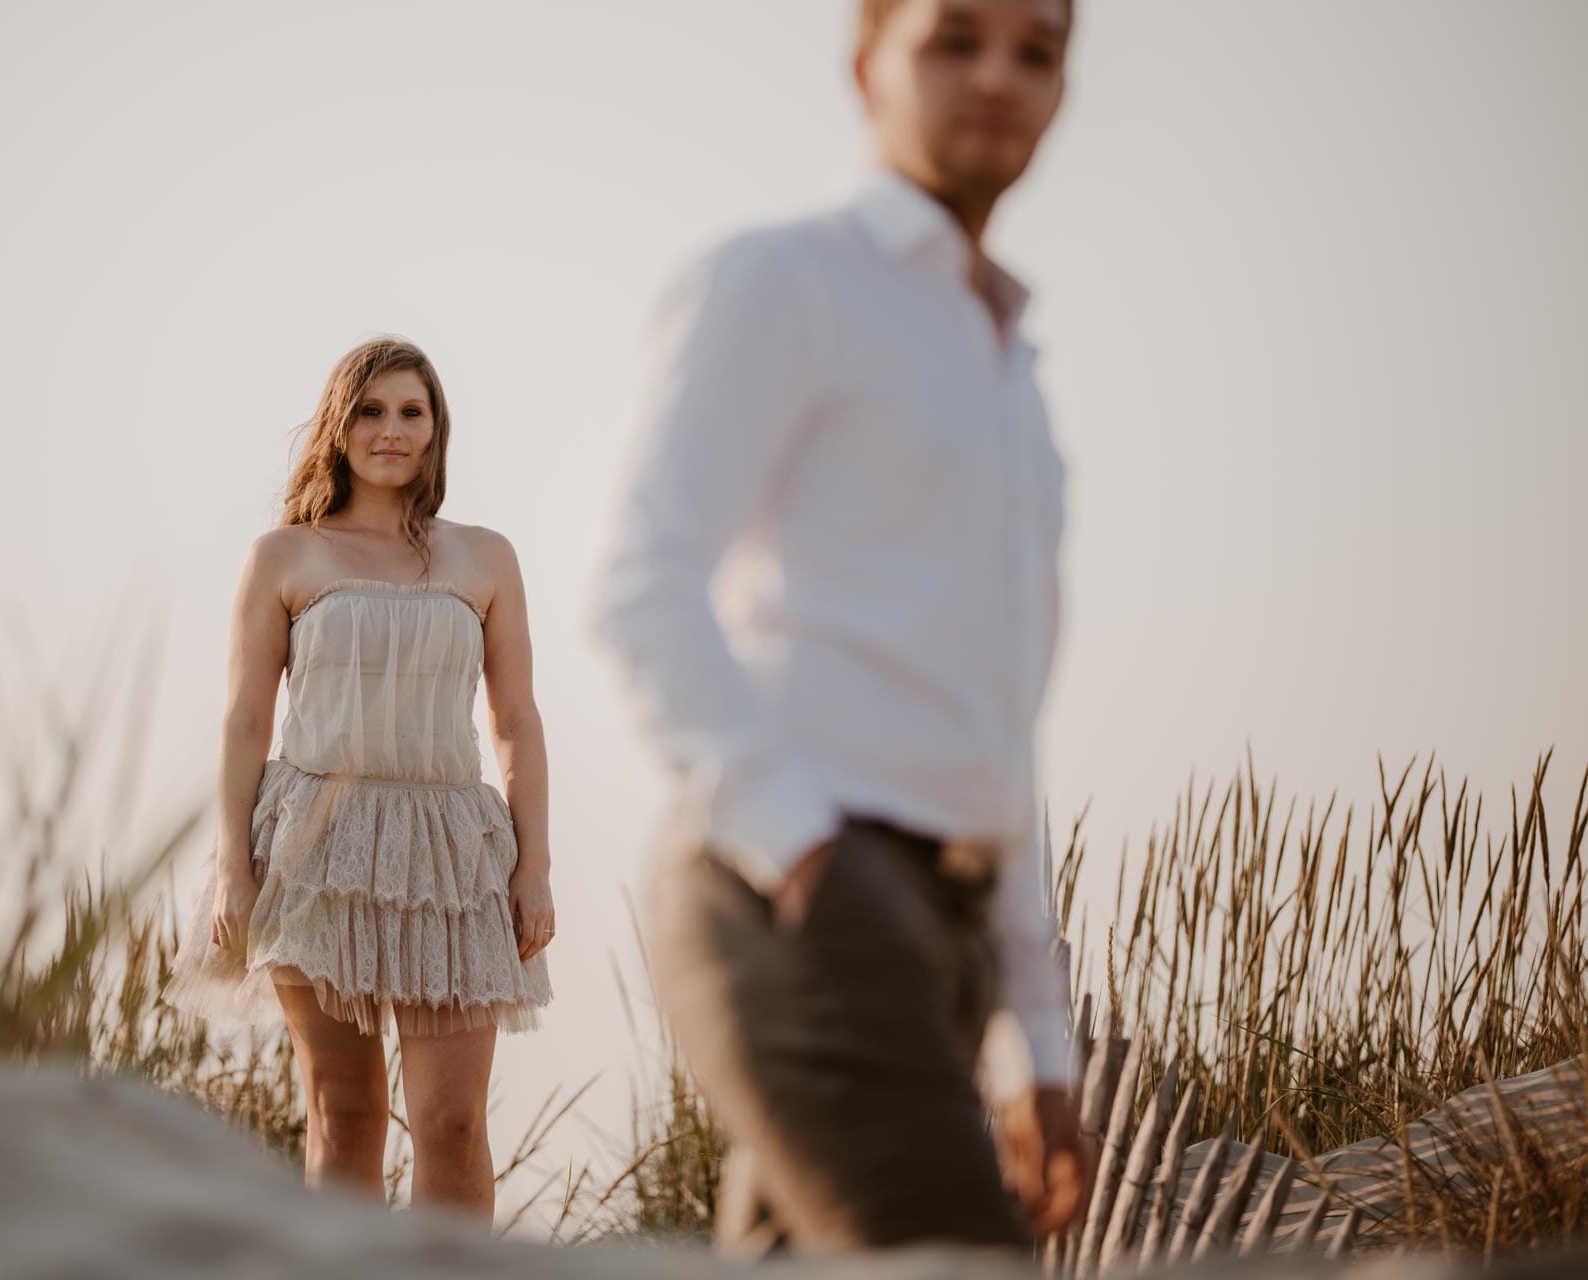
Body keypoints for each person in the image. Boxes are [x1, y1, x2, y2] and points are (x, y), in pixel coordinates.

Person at [593, 0, 1091, 1255]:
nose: (997, 77)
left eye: (1036, 52)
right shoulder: (785, 276)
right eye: (954, 39)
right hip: (798, 887)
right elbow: (639, 579)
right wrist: (802, 849)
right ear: (865, 65)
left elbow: (997, 715)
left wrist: (1036, 1027)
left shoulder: (1010, 367)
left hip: (948, 921)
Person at [165, 336, 555, 1222]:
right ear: (340, 427)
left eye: (411, 411)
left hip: (451, 852)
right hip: (315, 845)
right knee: (343, 1117)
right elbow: (244, 722)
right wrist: (233, 863)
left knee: (452, 1123)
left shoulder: (484, 557)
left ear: (436, 427)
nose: (391, 430)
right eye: (372, 411)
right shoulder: (284, 556)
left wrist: (533, 866)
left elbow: (516, 720)